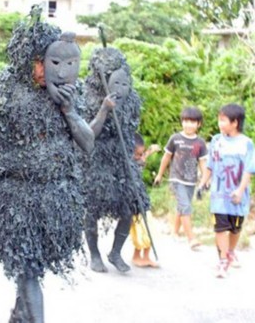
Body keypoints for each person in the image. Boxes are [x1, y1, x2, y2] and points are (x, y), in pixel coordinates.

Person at [0, 7, 113, 323]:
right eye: (44, 63)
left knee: (30, 269)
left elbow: (87, 144)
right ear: (29, 61)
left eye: (61, 63)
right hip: (13, 199)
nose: (53, 72)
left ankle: (20, 313)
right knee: (28, 270)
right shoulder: (3, 91)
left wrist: (70, 111)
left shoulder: (72, 94)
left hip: (56, 200)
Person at [81, 47, 151, 273]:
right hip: (96, 159)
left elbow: (132, 131)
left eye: (124, 83)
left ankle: (115, 252)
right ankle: (94, 254)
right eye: (116, 83)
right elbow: (87, 134)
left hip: (121, 159)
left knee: (131, 204)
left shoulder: (132, 101)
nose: (121, 88)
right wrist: (104, 110)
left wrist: (135, 156)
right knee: (91, 209)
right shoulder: (86, 97)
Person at [198, 103, 255, 278]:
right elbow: (210, 165)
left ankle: (231, 251)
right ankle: (223, 260)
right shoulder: (217, 141)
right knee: (220, 228)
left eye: (223, 120)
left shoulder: (246, 144)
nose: (220, 123)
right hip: (218, 195)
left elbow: (249, 169)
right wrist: (202, 183)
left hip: (237, 196)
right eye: (219, 119)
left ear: (235, 122)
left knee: (235, 228)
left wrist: (240, 191)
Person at [154, 106, 208, 250]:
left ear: (199, 124)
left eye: (192, 122)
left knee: (182, 207)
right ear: (182, 122)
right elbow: (166, 157)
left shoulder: (200, 143)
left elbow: (203, 163)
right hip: (176, 179)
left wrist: (204, 180)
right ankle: (191, 239)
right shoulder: (175, 139)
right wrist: (159, 175)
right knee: (185, 207)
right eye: (186, 121)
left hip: (191, 180)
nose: (188, 125)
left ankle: (174, 232)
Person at [130, 133, 160, 267]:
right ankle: (137, 256)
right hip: (133, 203)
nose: (141, 158)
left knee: (149, 230)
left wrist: (148, 152)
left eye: (142, 154)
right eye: (138, 154)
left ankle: (146, 256)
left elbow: (141, 162)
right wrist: (148, 153)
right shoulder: (127, 164)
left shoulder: (137, 162)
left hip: (143, 200)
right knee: (139, 232)